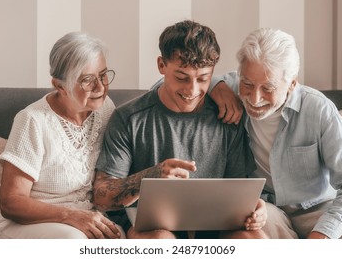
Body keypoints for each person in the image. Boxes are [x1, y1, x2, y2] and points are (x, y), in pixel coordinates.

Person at [92, 20, 268, 239]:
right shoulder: (129, 118)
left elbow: (241, 189)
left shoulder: (227, 117)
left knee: (255, 239)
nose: (192, 90)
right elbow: (101, 196)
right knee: (161, 241)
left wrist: (256, 207)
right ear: (161, 66)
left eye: (203, 78)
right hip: (152, 230)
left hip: (217, 227)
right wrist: (151, 176)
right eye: (181, 77)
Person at [209, 28, 342, 239]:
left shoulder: (318, 109)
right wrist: (216, 86)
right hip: (266, 210)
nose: (254, 98)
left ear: (292, 84)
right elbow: (168, 85)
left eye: (268, 88)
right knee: (243, 235)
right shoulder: (230, 87)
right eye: (247, 84)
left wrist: (324, 234)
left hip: (318, 208)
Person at [0, 32, 123, 239]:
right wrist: (72, 216)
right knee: (73, 241)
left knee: (119, 238)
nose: (101, 87)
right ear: (60, 86)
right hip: (21, 223)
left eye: (103, 75)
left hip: (81, 220)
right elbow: (11, 202)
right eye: (88, 80)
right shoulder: (32, 120)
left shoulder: (104, 109)